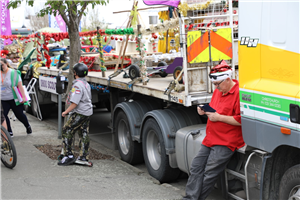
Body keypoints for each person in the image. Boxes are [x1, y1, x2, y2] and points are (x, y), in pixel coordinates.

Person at [183, 60, 245, 200]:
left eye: (218, 84)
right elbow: (214, 108)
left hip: (226, 141)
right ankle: (190, 198)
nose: (216, 88)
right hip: (211, 138)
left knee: (210, 172)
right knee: (196, 167)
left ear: (228, 80)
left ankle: (197, 198)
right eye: (214, 84)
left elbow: (241, 120)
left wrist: (219, 117)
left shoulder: (238, 93)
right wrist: (203, 110)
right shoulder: (220, 90)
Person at [58, 63, 93, 166]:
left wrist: (66, 112)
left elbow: (75, 103)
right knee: (84, 133)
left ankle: (69, 155)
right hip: (88, 111)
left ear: (75, 73)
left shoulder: (77, 85)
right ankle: (83, 157)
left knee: (67, 130)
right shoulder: (86, 83)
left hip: (80, 112)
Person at [0, 58, 32, 137]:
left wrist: (23, 97)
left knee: (19, 115)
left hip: (14, 98)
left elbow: (20, 86)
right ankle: (9, 132)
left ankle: (27, 126)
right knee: (3, 116)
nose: (1, 67)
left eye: (2, 65)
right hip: (3, 99)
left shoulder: (13, 73)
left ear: (6, 63)